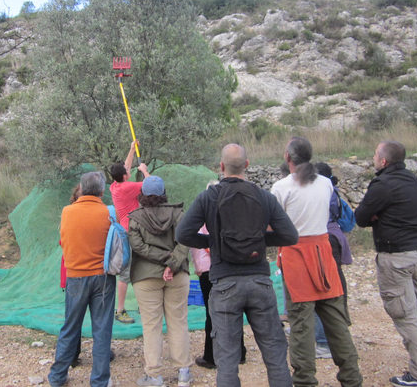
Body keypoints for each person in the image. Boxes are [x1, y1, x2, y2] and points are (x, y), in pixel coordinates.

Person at [177, 143, 298, 387]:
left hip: (224, 284)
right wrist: (260, 240)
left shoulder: (208, 197)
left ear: (221, 167)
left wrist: (212, 242)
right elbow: (290, 236)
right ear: (247, 165)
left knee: (227, 360)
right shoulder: (264, 197)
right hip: (259, 281)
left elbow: (182, 234)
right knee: (275, 355)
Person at [271, 137, 362, 387]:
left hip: (296, 255)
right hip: (324, 254)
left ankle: (304, 381)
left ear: (288, 157)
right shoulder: (325, 184)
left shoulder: (281, 188)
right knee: (336, 321)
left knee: (300, 324)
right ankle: (352, 378)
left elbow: (272, 224)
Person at [355, 141, 417, 387]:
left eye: (375, 154)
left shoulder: (383, 184)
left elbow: (361, 217)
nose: (373, 157)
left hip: (396, 257)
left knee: (406, 316)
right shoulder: (412, 180)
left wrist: (378, 216)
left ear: (383, 161)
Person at [48, 171, 116, 387]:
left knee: (70, 327)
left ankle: (58, 376)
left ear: (81, 188)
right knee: (102, 330)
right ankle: (99, 380)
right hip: (103, 278)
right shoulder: (108, 213)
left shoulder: (67, 212)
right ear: (102, 190)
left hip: (75, 277)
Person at [127, 175, 192, 387]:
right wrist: (171, 263)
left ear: (143, 194)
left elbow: (138, 247)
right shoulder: (179, 214)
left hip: (145, 278)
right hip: (178, 274)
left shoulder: (135, 218)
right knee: (178, 321)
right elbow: (185, 242)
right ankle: (183, 372)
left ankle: (154, 375)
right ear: (163, 193)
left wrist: (164, 261)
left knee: (151, 325)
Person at [189, 181, 247, 370]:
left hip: (210, 270)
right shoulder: (232, 215)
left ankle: (211, 356)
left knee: (212, 313)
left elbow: (198, 241)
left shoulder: (204, 215)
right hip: (230, 267)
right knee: (233, 309)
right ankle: (239, 352)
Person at [313, 163, 354, 360]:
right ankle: (336, 332)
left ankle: (324, 341)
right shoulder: (332, 190)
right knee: (335, 285)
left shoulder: (321, 191)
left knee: (324, 288)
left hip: (324, 240)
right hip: (335, 238)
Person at [109, 139, 150, 324]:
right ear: (125, 176)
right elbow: (152, 185)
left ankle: (141, 305)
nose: (129, 170)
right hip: (130, 232)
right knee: (127, 272)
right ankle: (120, 310)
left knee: (137, 267)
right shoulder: (127, 187)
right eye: (128, 171)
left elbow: (125, 166)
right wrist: (144, 171)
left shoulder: (115, 185)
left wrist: (132, 149)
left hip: (129, 231)